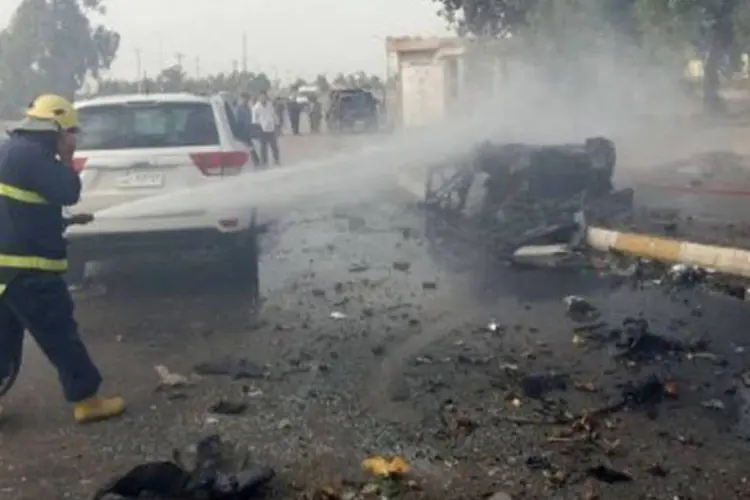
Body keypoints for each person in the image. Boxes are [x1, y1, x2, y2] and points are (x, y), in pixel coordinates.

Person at [0, 94, 125, 423]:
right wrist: (68, 157)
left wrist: (64, 220)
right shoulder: (35, 156)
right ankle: (86, 400)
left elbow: (18, 209)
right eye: (70, 134)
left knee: (3, 337)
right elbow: (69, 190)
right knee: (59, 335)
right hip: (31, 270)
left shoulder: (9, 150)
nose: (71, 140)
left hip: (5, 268)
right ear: (57, 129)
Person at [251, 91, 280, 167]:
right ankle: (264, 161)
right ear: (259, 98)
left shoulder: (270, 105)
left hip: (271, 127)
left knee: (274, 145)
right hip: (262, 128)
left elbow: (274, 114)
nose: (263, 98)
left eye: (264, 97)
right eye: (261, 97)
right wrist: (257, 127)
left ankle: (276, 159)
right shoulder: (256, 107)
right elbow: (254, 119)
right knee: (263, 146)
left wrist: (277, 123)